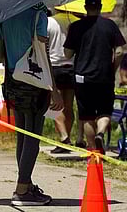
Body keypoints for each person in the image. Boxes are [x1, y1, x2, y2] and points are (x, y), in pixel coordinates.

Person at [0, 3, 63, 206]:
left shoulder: (3, 15)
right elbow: (42, 55)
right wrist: (54, 89)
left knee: (22, 135)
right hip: (34, 83)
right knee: (33, 137)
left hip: (13, 81)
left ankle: (26, 183)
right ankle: (22, 190)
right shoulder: (38, 15)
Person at [64, 0, 126, 154]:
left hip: (82, 78)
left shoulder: (76, 27)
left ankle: (93, 152)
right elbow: (119, 52)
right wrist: (112, 68)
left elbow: (68, 54)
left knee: (87, 116)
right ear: (100, 7)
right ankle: (100, 134)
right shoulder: (110, 25)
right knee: (105, 111)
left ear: (85, 7)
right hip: (104, 76)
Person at [48, 11, 85, 153]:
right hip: (72, 66)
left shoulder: (49, 22)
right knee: (69, 106)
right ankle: (67, 136)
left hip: (53, 67)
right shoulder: (76, 22)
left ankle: (64, 138)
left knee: (54, 105)